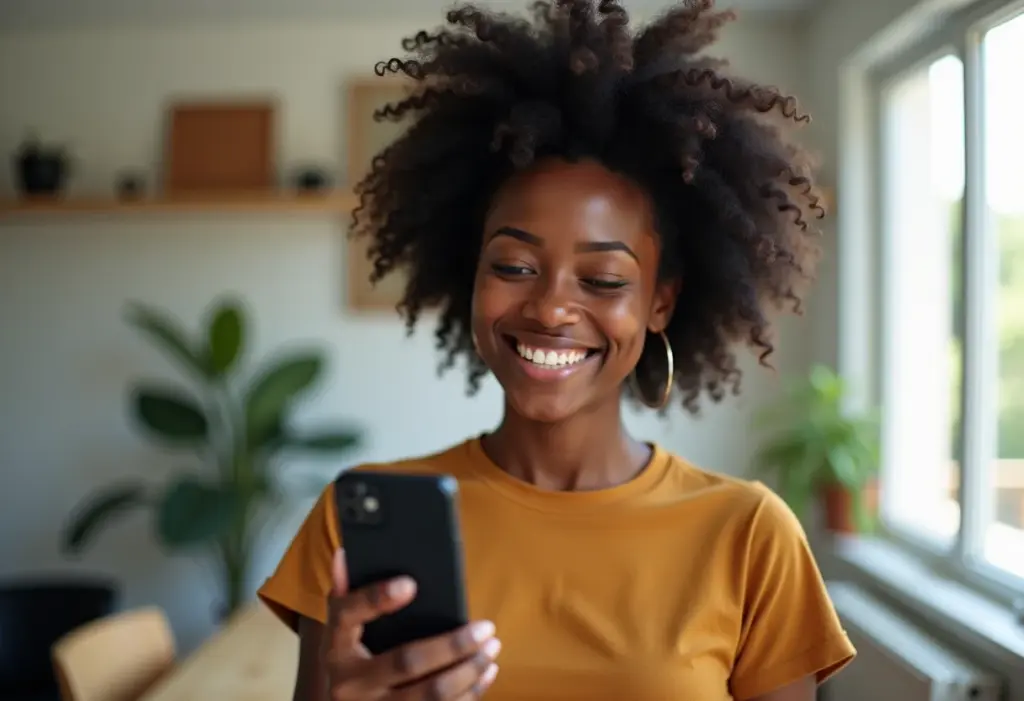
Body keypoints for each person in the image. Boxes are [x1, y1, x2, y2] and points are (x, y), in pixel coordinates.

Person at [258, 0, 856, 698]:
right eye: (513, 266)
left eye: (602, 279)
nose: (548, 308)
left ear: (660, 302)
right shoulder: (354, 522)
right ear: (472, 275)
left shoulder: (750, 535)